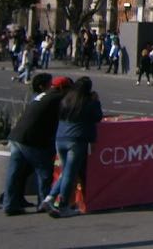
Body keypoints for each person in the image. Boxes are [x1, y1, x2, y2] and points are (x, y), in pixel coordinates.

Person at [2, 73, 66, 215]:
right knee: (44, 171)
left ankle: (9, 204)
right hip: (32, 140)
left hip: (17, 136)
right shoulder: (57, 97)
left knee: (15, 173)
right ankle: (44, 202)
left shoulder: (42, 96)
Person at [47, 76, 104, 217]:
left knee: (66, 171)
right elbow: (97, 117)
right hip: (76, 140)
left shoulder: (67, 99)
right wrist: (96, 101)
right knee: (70, 174)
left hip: (60, 138)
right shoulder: (88, 102)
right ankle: (63, 205)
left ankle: (50, 198)